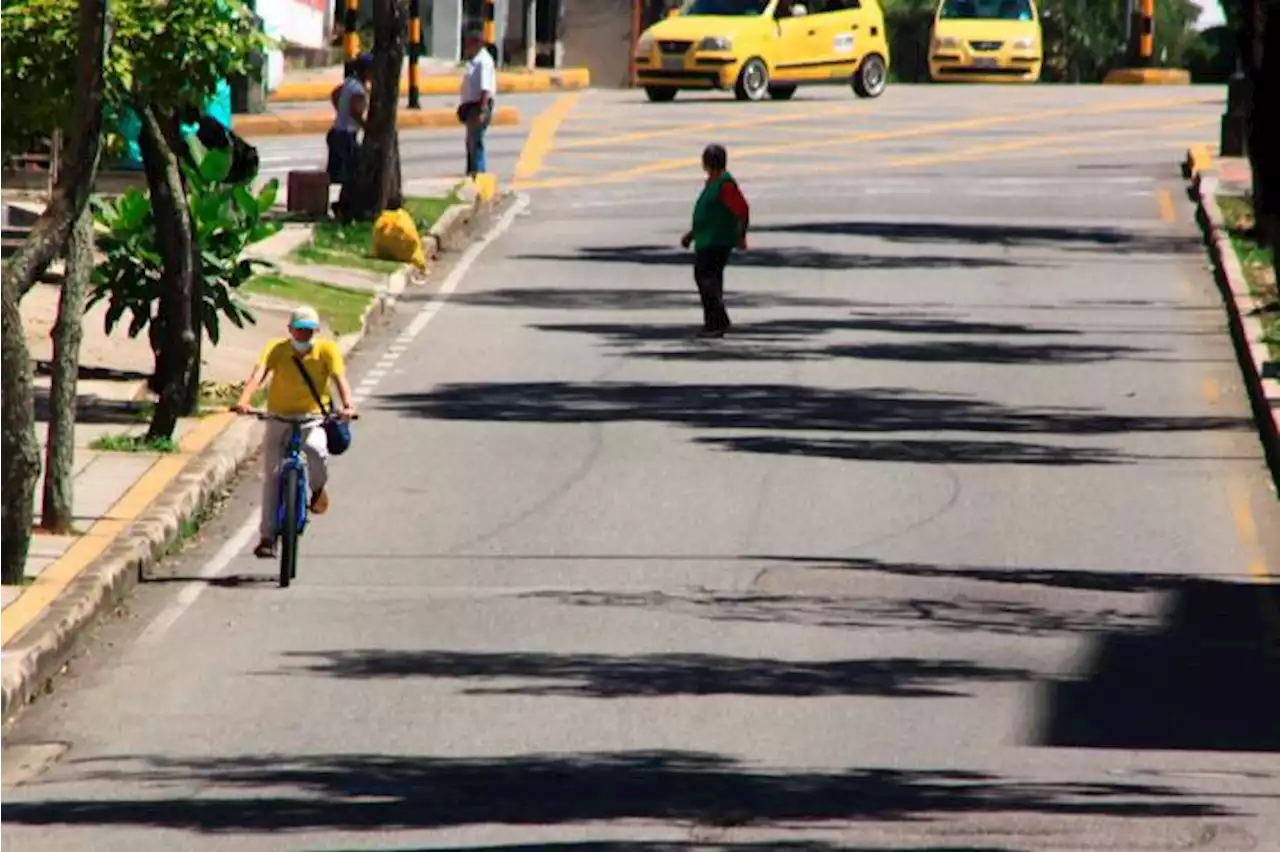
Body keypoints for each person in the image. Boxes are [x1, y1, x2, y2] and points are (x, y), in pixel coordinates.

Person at [233, 306, 356, 559]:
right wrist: (244, 401)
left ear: (316, 332)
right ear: (289, 330)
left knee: (315, 450)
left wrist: (347, 406)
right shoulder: (277, 349)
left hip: (312, 419)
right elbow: (258, 376)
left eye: (309, 331)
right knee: (272, 476)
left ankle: (318, 488)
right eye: (299, 330)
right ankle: (267, 537)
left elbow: (339, 379)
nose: (303, 336)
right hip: (279, 418)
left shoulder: (326, 350)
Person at [681, 144, 749, 338]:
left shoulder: (725, 184)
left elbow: (742, 210)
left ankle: (718, 321)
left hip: (717, 240)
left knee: (706, 279)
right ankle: (713, 323)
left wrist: (741, 235)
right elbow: (709, 215)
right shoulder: (714, 182)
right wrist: (691, 235)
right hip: (707, 239)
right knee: (710, 280)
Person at [328, 54, 372, 217]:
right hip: (346, 135)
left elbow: (335, 94)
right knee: (352, 174)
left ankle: (343, 204)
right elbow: (355, 110)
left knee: (347, 174)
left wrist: (341, 111)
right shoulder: (358, 90)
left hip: (338, 132)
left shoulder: (349, 83)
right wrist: (366, 126)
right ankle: (344, 206)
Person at [458, 30, 496, 177]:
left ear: (477, 44)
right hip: (472, 106)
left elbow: (485, 89)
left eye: (468, 43)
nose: (466, 46)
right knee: (471, 142)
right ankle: (472, 171)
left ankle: (479, 173)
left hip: (479, 105)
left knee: (476, 141)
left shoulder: (483, 62)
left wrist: (482, 109)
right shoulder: (474, 60)